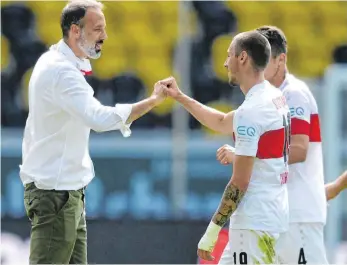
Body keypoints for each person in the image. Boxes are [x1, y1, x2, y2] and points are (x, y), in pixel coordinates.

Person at [20, 1, 166, 264]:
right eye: (98, 29)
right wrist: (152, 101)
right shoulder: (62, 72)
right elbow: (99, 119)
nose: (105, 36)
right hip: (56, 194)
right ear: (76, 31)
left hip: (65, 191)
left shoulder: (54, 61)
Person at [159, 30, 290, 264]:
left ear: (242, 58)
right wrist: (179, 97)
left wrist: (212, 231)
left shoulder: (253, 111)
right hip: (267, 215)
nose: (225, 62)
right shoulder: (272, 97)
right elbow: (221, 122)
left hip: (254, 223)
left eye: (229, 55)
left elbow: (240, 182)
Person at [215, 25, 335, 264]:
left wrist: (242, 155)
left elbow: (300, 150)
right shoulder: (266, 98)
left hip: (297, 215)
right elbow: (222, 121)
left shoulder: (294, 94)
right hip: (275, 214)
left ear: (281, 60)